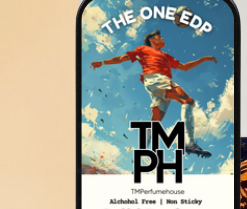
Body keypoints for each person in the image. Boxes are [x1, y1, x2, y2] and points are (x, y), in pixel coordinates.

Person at [91, 29, 217, 157]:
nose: (162, 39)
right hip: (156, 79)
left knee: (155, 121)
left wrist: (202, 59)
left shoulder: (166, 56)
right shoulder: (143, 49)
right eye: (159, 37)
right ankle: (190, 143)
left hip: (157, 85)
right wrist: (102, 63)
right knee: (187, 101)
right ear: (152, 40)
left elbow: (184, 67)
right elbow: (122, 58)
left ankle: (142, 151)